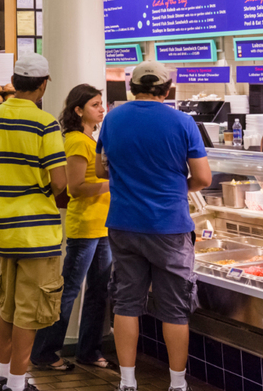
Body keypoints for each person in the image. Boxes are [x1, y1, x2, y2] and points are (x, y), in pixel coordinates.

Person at [96, 61, 211, 391]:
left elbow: (101, 170)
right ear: (167, 89)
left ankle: (127, 382)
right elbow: (203, 177)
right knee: (174, 308)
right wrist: (178, 187)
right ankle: (177, 384)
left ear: (132, 87)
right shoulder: (182, 122)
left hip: (123, 223)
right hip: (169, 227)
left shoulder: (112, 119)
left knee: (126, 303)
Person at [0, 53, 67, 391]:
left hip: (1, 227)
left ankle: (1, 372)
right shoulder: (45, 123)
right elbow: (59, 181)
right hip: (37, 231)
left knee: (7, 304)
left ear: (14, 82)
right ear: (42, 85)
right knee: (31, 308)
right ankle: (16, 382)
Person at [31, 85, 112, 371]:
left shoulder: (91, 138)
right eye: (95, 104)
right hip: (85, 226)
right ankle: (45, 351)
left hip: (103, 226)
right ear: (78, 111)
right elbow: (76, 188)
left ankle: (89, 349)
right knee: (70, 290)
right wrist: (114, 182)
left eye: (102, 104)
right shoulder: (77, 141)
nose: (101, 109)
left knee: (98, 291)